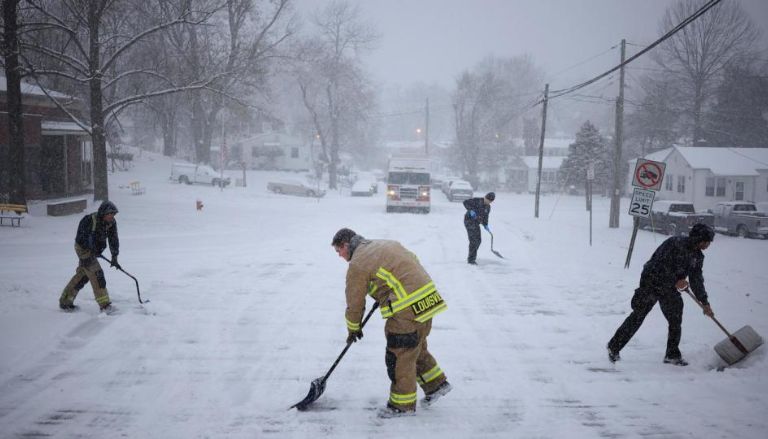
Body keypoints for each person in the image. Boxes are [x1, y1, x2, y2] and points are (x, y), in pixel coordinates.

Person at [331, 228, 452, 418]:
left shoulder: (358, 264)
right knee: (415, 346)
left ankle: (401, 406)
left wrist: (353, 328)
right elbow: (409, 265)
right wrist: (385, 292)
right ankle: (436, 385)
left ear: (346, 245)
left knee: (399, 355)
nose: (340, 256)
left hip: (406, 307)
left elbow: (354, 302)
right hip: (428, 300)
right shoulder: (386, 244)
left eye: (339, 251)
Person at [607, 223, 716, 366]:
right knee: (638, 315)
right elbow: (657, 265)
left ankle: (672, 354)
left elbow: (696, 280)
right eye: (706, 241)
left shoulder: (697, 257)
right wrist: (676, 280)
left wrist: (705, 302)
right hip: (651, 282)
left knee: (675, 318)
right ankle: (614, 347)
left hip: (669, 288)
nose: (708, 245)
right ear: (698, 238)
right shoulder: (674, 243)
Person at [59, 200, 121, 313]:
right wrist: (91, 248)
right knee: (97, 274)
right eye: (110, 214)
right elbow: (80, 238)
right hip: (83, 249)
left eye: (113, 214)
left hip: (94, 250)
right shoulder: (89, 220)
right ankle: (105, 305)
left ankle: (65, 301)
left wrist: (114, 256)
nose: (112, 216)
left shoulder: (111, 223)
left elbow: (113, 239)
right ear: (103, 213)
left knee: (83, 276)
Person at [462, 192, 495, 265]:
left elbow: (485, 217)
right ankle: (471, 260)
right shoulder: (477, 200)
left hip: (476, 223)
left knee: (479, 240)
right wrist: (470, 210)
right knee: (473, 240)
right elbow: (465, 202)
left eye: (490, 201)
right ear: (485, 197)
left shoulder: (488, 207)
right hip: (469, 221)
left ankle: (472, 254)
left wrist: (485, 225)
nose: (488, 202)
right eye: (487, 200)